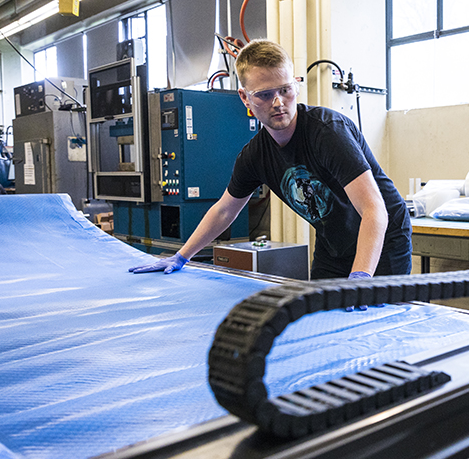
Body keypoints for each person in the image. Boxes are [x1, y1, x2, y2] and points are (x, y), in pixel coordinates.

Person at [130, 39, 411, 282]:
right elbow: (225, 211)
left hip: (383, 239)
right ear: (245, 98)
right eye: (264, 95)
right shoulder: (255, 155)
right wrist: (181, 256)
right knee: (323, 315)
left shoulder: (328, 132)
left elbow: (374, 209)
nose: (278, 103)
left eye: (284, 90)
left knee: (378, 320)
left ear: (296, 87)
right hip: (333, 243)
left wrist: (361, 276)